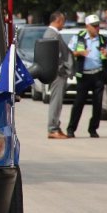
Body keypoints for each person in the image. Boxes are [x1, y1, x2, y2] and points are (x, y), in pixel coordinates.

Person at [66, 14, 107, 138]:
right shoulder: (79, 38)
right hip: (84, 75)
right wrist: (79, 52)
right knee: (78, 103)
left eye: (98, 26)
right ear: (87, 26)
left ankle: (93, 129)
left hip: (98, 75)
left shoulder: (103, 40)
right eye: (94, 26)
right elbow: (68, 53)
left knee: (97, 104)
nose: (97, 28)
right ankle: (71, 129)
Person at [44, 11, 73, 139]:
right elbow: (55, 56)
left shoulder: (53, 34)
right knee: (56, 102)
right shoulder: (52, 34)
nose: (64, 24)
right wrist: (63, 69)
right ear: (58, 21)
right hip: (57, 74)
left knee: (58, 102)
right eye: (63, 21)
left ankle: (56, 126)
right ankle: (53, 128)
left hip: (58, 73)